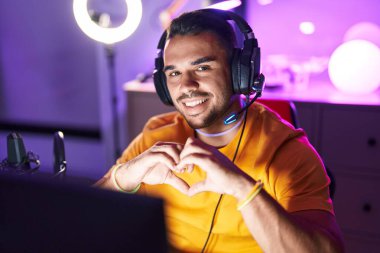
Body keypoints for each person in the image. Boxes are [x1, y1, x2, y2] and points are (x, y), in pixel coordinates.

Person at [96, 9, 344, 253]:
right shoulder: (156, 136)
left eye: (202, 68)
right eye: (174, 73)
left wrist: (243, 189)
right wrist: (123, 178)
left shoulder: (287, 153)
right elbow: (83, 216)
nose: (186, 86)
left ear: (240, 72)